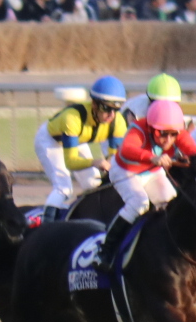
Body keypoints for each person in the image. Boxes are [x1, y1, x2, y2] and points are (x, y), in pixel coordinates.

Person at [100, 98, 196, 273]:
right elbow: (127, 149)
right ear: (151, 128)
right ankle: (106, 250)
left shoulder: (176, 132)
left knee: (171, 202)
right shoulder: (139, 128)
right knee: (139, 203)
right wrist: (152, 158)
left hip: (151, 171)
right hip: (125, 171)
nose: (168, 139)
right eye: (161, 134)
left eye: (173, 134)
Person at [34, 78, 129, 220]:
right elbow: (71, 162)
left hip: (77, 139)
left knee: (93, 184)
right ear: (94, 104)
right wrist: (95, 162)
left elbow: (114, 159)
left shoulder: (118, 122)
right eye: (106, 108)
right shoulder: (72, 118)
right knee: (64, 188)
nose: (111, 115)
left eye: (116, 109)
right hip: (50, 141)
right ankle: (45, 224)